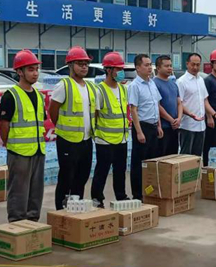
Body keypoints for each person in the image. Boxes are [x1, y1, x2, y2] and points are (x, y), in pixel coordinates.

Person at [0, 50, 46, 223]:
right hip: (19, 152)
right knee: (18, 191)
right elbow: (4, 124)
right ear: (19, 72)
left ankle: (33, 223)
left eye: (36, 69)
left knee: (36, 191)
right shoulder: (11, 95)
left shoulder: (39, 96)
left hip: (38, 150)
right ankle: (17, 224)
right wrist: (9, 143)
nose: (35, 73)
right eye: (31, 69)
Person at [49, 46, 98, 209]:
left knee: (82, 177)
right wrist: (63, 127)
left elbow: (94, 112)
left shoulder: (90, 87)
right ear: (70, 65)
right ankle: (60, 209)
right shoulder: (64, 85)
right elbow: (53, 110)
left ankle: (76, 208)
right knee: (66, 177)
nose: (84, 67)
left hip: (86, 139)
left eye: (86, 64)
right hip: (67, 140)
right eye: (80, 64)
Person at [91, 52, 130, 207]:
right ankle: (97, 198)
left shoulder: (123, 89)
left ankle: (121, 196)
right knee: (102, 170)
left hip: (121, 138)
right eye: (118, 69)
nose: (121, 72)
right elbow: (95, 114)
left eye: (121, 69)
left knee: (120, 170)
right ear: (108, 70)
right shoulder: (100, 90)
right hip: (104, 139)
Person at [128, 54, 163, 200]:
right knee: (139, 163)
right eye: (146, 65)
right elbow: (133, 110)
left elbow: (156, 105)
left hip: (153, 126)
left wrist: (159, 126)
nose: (150, 68)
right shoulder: (134, 86)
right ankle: (137, 195)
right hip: (142, 127)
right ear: (138, 68)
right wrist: (139, 132)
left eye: (150, 65)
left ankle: (149, 192)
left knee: (151, 162)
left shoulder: (152, 83)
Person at [177, 53, 210, 157]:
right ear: (187, 64)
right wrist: (191, 114)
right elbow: (179, 103)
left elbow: (205, 100)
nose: (195, 67)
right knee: (185, 157)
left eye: (198, 65)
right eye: (193, 64)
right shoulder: (181, 82)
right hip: (187, 126)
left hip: (201, 126)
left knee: (197, 157)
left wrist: (212, 115)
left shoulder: (201, 80)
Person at [153, 55, 183, 156]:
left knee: (173, 156)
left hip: (175, 127)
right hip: (163, 127)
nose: (169, 68)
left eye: (170, 65)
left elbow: (179, 103)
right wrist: (171, 120)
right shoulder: (154, 84)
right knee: (162, 156)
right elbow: (158, 106)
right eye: (166, 66)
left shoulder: (173, 83)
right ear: (158, 68)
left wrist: (179, 119)